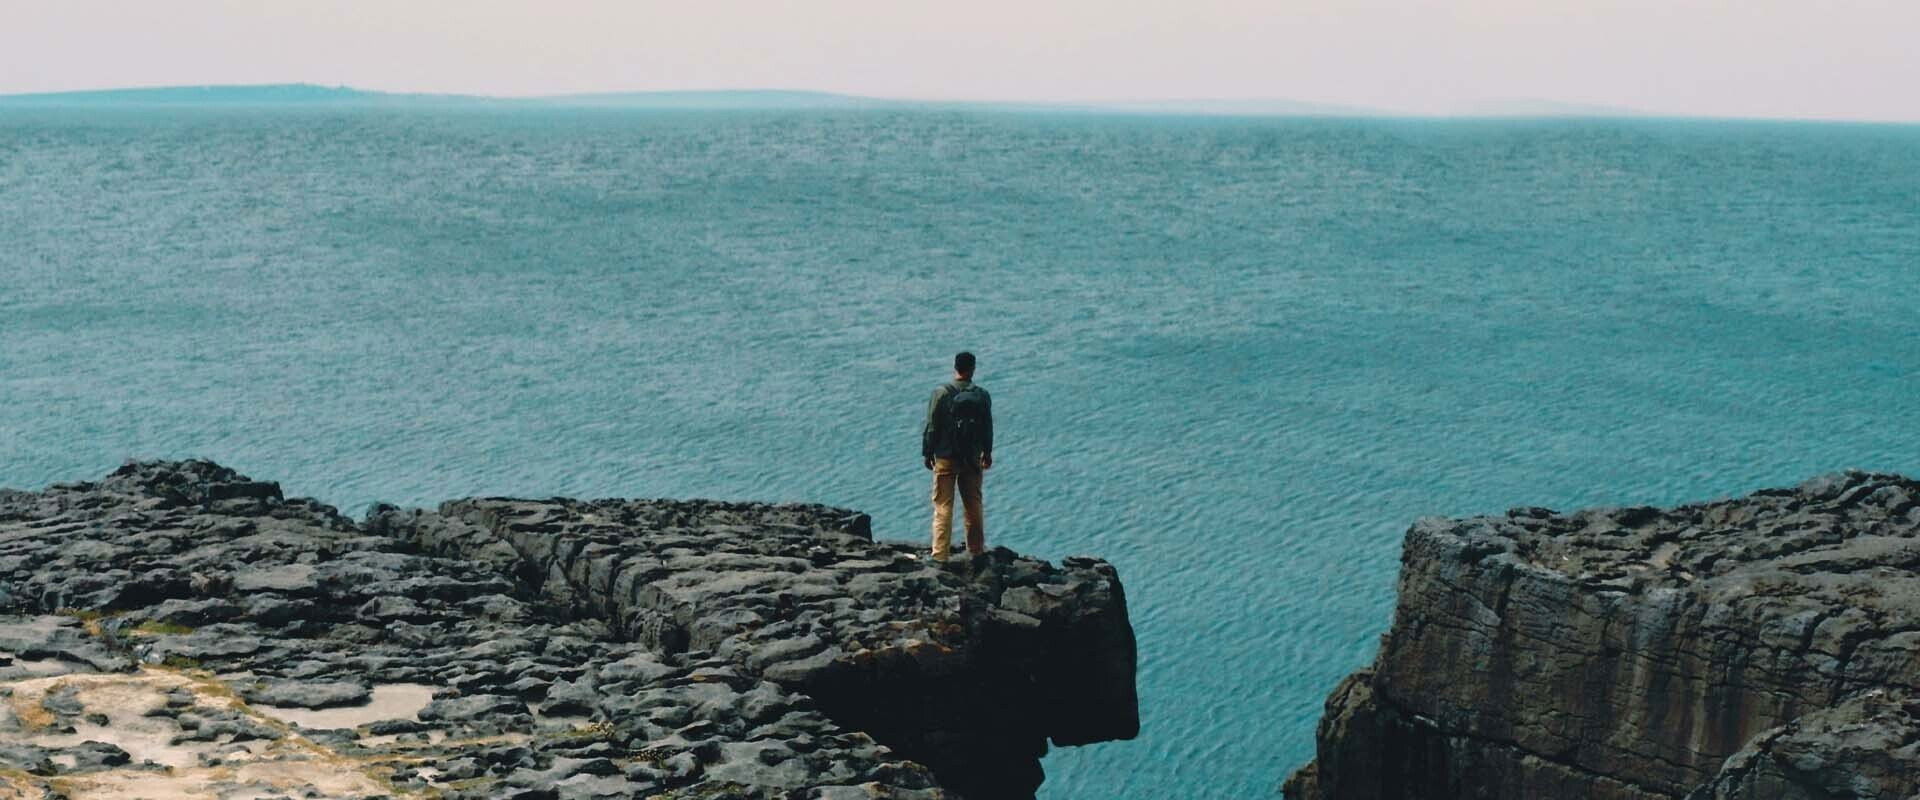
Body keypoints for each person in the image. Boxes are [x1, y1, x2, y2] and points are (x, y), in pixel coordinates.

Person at [922, 351, 993, 560]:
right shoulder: (981, 395)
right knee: (973, 503)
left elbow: (932, 426)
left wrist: (928, 452)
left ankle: (940, 555)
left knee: (943, 505)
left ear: (955, 368)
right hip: (972, 457)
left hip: (945, 456)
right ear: (973, 369)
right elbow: (987, 427)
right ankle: (976, 549)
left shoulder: (941, 393)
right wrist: (987, 452)